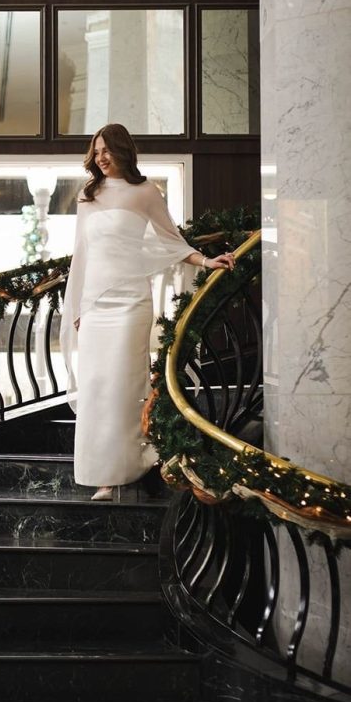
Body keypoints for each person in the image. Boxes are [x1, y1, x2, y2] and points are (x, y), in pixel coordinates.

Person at [60, 124, 235, 502]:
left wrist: (206, 261)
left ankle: (126, 466)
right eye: (97, 151)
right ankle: (101, 474)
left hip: (130, 304)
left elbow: (172, 241)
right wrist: (76, 305)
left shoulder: (145, 192)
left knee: (123, 385)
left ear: (124, 151)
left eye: (107, 150)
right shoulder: (88, 195)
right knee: (96, 386)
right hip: (94, 304)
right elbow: (81, 254)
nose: (101, 157)